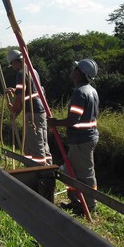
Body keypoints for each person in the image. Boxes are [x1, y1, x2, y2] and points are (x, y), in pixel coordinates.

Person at [47, 58, 99, 213]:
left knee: (85, 174)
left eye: (75, 68)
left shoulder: (79, 93)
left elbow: (73, 120)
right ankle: (77, 202)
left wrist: (55, 123)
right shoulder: (91, 90)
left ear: (79, 73)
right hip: (83, 138)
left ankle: (89, 206)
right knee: (71, 172)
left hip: (82, 140)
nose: (73, 70)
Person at [6, 49, 52, 166]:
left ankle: (41, 173)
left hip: (32, 114)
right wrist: (15, 90)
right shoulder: (33, 71)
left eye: (12, 64)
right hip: (40, 112)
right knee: (38, 144)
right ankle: (39, 168)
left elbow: (20, 97)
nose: (13, 67)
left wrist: (13, 109)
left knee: (36, 146)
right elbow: (30, 90)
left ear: (16, 62)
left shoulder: (21, 74)